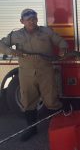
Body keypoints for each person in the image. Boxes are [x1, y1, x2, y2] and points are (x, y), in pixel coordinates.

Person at [0, 8, 68, 142]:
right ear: (22, 21)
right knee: (28, 102)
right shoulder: (16, 35)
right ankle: (31, 129)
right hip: (26, 74)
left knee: (51, 101)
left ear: (37, 19)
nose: (31, 21)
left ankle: (61, 127)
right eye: (28, 19)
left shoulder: (46, 31)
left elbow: (61, 42)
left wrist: (62, 49)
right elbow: (1, 44)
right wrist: (11, 52)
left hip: (46, 72)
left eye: (34, 19)